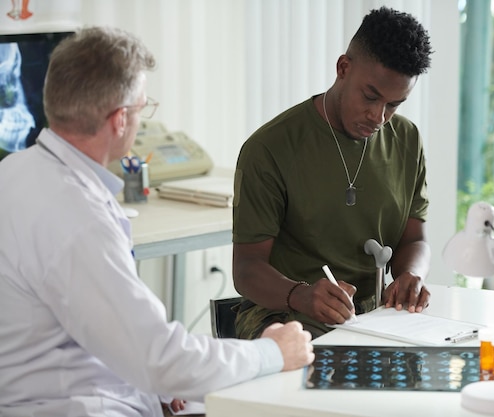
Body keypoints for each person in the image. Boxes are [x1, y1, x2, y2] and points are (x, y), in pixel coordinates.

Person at [0, 26, 314, 417]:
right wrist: (271, 352)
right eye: (143, 108)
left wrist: (160, 382)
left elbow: (115, 336)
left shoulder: (15, 172)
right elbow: (161, 360)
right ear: (120, 120)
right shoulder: (79, 218)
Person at [232, 6, 434, 340]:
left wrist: (410, 276)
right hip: (283, 315)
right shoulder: (270, 148)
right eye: (370, 96)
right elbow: (246, 270)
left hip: (374, 318)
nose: (378, 116)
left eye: (394, 104)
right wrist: (301, 294)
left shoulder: (407, 141)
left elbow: (414, 239)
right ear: (343, 68)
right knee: (322, 372)